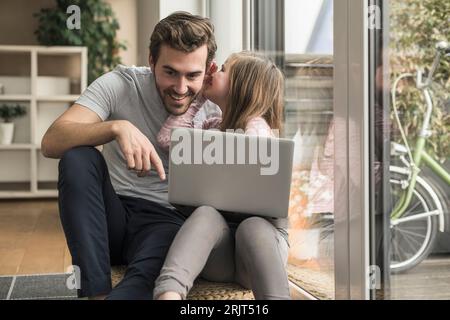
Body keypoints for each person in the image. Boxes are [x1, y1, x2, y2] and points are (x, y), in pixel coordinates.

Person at [41, 11, 220, 300]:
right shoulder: (120, 83)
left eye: (193, 75)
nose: (181, 88)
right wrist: (115, 127)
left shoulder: (216, 105)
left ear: (209, 69)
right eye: (170, 72)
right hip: (110, 217)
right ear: (151, 61)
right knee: (78, 158)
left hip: (167, 221)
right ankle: (96, 292)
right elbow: (51, 141)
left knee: (147, 279)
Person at [152, 51, 291, 300]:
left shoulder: (258, 128)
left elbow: (254, 148)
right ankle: (169, 293)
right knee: (205, 213)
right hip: (222, 254)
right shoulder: (211, 126)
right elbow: (167, 139)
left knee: (253, 226)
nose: (214, 72)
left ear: (241, 88)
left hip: (257, 254)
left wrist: (249, 120)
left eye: (224, 69)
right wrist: (196, 100)